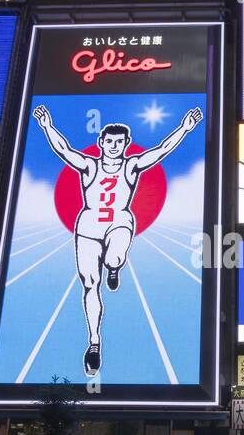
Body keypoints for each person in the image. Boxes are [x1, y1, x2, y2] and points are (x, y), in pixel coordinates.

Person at [33, 104, 203, 376]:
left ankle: (114, 267)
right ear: (101, 143)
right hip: (88, 226)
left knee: (114, 256)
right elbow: (63, 150)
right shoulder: (89, 166)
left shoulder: (131, 165)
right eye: (109, 141)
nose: (114, 146)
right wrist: (47, 125)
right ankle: (94, 343)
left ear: (127, 144)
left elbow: (161, 151)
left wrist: (184, 128)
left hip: (120, 222)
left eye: (119, 142)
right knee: (90, 284)